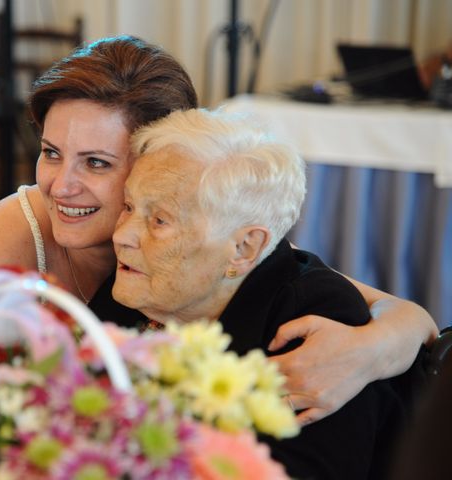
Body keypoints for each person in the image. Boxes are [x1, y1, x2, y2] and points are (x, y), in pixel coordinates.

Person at [0, 35, 437, 425]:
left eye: (96, 163)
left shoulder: (210, 237)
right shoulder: (17, 234)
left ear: (159, 162)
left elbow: (408, 316)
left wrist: (367, 351)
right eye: (51, 152)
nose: (61, 186)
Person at [89, 107, 425, 479]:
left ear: (244, 248)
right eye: (130, 206)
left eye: (159, 220)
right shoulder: (132, 291)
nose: (122, 235)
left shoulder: (315, 319)